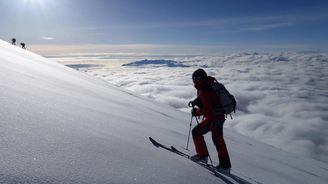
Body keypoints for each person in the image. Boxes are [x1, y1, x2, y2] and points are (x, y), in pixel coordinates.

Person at [189, 68, 231, 170]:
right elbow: (210, 102)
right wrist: (198, 102)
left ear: (199, 78)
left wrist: (197, 112)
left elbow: (208, 109)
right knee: (218, 139)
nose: (193, 81)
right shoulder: (208, 85)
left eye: (194, 79)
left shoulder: (203, 89)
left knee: (197, 132)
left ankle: (203, 156)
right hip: (218, 116)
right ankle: (225, 165)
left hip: (214, 118)